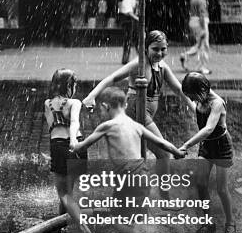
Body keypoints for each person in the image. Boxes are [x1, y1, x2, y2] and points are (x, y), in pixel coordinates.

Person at [72, 87, 186, 233]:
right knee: (127, 219)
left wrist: (73, 142)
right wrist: (177, 152)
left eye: (102, 109)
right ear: (125, 104)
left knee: (117, 221)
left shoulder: (107, 126)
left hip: (129, 178)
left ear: (105, 106)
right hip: (141, 176)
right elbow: (162, 143)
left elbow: (82, 146)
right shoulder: (136, 126)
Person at [83, 30, 194, 161]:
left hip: (147, 112)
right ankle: (163, 181)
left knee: (139, 153)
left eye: (163, 49)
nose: (159, 53)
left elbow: (179, 89)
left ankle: (138, 178)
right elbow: (112, 78)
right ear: (146, 48)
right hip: (137, 110)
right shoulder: (139, 64)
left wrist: (194, 108)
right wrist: (91, 96)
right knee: (164, 154)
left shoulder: (162, 66)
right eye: (155, 49)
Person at [180, 72, 235, 233]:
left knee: (221, 188)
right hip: (206, 147)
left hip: (221, 146)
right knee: (201, 184)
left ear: (203, 90)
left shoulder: (217, 103)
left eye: (194, 96)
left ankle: (230, 223)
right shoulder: (201, 99)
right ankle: (208, 223)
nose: (194, 101)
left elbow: (209, 129)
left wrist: (186, 145)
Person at [44, 69, 91, 233]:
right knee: (69, 192)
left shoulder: (47, 103)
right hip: (77, 145)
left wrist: (57, 152)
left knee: (64, 193)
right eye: (74, 84)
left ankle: (83, 227)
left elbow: (52, 128)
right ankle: (60, 224)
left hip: (58, 146)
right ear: (69, 85)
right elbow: (74, 123)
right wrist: (72, 141)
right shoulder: (75, 102)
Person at [180, 0, 211, 74]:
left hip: (193, 20)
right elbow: (202, 12)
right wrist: (203, 27)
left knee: (199, 44)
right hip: (200, 21)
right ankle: (201, 67)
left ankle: (185, 55)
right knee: (204, 45)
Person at [118, 0, 139, 64]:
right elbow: (129, 12)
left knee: (136, 39)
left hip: (132, 21)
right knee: (128, 39)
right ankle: (125, 59)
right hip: (128, 21)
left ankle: (141, 57)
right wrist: (137, 18)